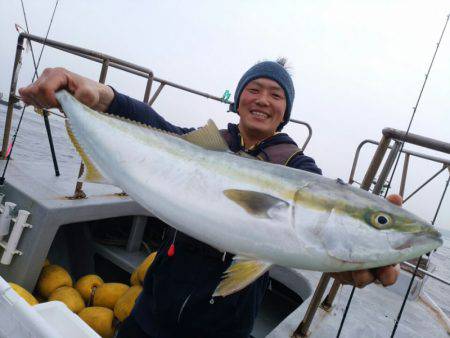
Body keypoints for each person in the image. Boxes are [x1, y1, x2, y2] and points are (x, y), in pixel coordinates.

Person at [19, 60, 401, 338]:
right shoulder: (205, 144)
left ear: (286, 112)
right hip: (155, 304)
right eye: (254, 89)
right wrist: (95, 94)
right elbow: (153, 126)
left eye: (276, 94)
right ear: (237, 100)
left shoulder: (301, 172)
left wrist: (342, 253)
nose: (263, 99)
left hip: (224, 325)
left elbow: (315, 226)